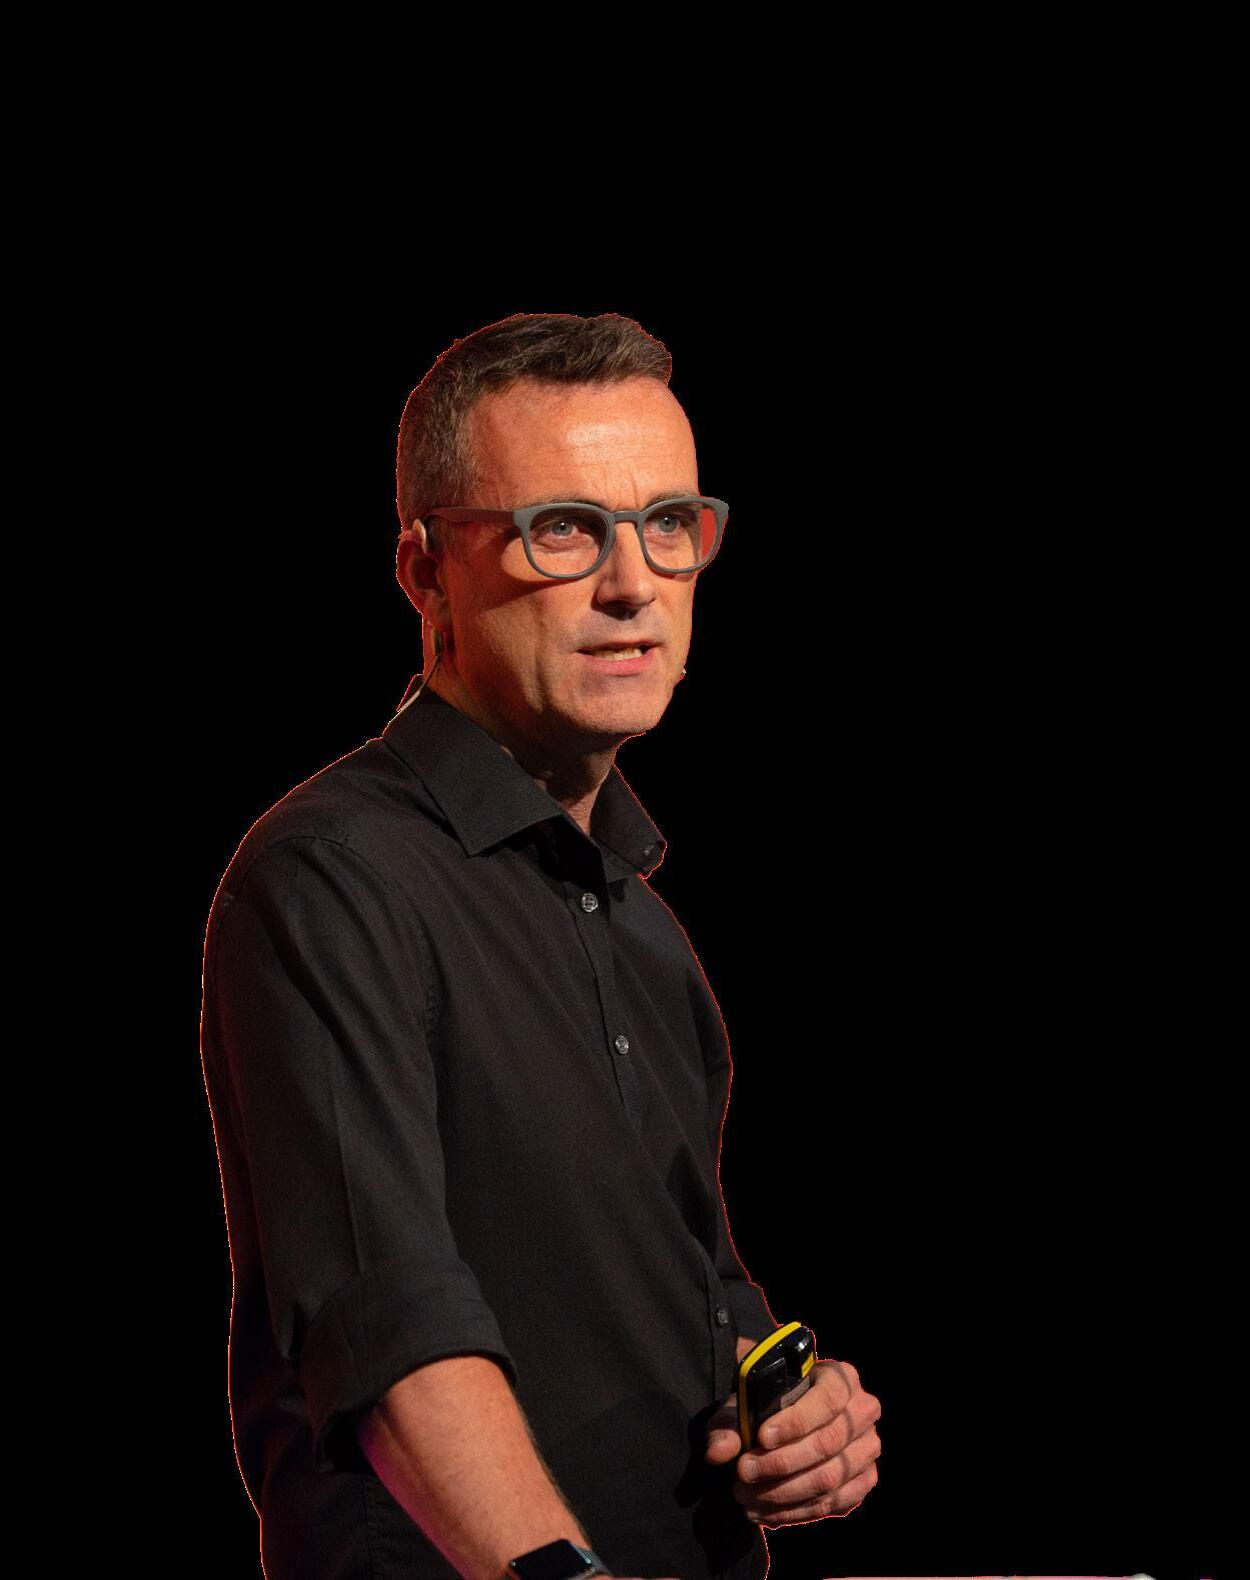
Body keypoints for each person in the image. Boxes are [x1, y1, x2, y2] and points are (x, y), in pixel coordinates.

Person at [199, 312, 882, 1580]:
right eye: (561, 528)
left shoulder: (641, 927)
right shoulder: (332, 875)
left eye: (667, 523)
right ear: (424, 572)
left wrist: (791, 1404)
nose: (631, 582)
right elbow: (387, 1320)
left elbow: (689, 1288)